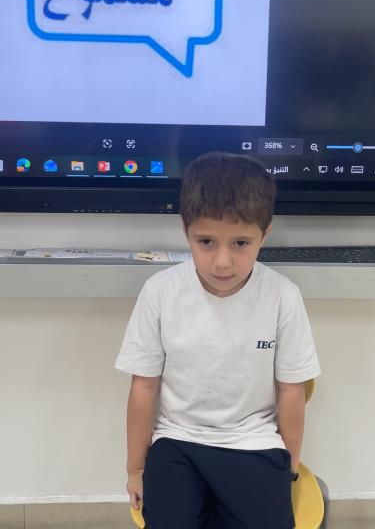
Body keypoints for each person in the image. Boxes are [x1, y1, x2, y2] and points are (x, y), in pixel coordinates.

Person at [115, 151, 321, 529]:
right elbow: (143, 386)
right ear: (186, 232)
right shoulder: (160, 291)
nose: (222, 262)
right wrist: (135, 469)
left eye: (240, 243)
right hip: (177, 441)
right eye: (206, 241)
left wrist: (289, 467)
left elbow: (291, 389)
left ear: (264, 234)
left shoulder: (282, 296)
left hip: (254, 441)